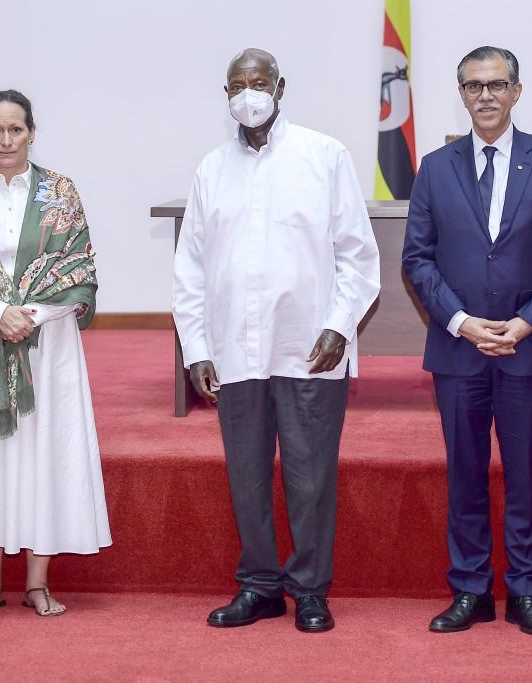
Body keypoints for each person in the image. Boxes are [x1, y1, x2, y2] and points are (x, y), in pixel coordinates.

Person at [173, 49, 381, 633]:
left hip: (308, 347)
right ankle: (260, 586)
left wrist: (340, 324)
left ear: (280, 86)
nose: (248, 93)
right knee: (247, 475)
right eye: (236, 85)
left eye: (257, 82)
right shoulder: (211, 169)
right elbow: (189, 266)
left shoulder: (324, 156)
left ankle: (310, 589)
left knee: (310, 476)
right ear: (226, 95)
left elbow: (358, 256)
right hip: (235, 350)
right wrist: (197, 348)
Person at [402, 46, 532, 637]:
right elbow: (417, 259)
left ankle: (527, 591)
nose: (486, 95)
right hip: (459, 350)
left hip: (529, 348)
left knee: (526, 474)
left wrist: (527, 321)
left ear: (516, 91)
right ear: (461, 94)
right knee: (465, 473)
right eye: (475, 85)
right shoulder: (434, 167)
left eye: (497, 84)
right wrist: (460, 321)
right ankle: (471, 590)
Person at [0, 90, 111, 617]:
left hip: (47, 346)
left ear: (32, 131)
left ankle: (37, 582)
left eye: (15, 129)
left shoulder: (61, 193)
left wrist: (29, 315)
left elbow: (78, 270)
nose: (5, 140)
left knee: (43, 454)